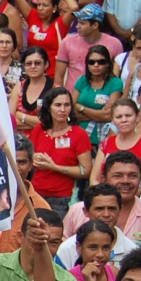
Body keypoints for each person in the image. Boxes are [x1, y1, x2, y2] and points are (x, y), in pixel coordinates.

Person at [27, 88, 93, 218]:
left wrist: (54, 167)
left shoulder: (79, 134)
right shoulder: (39, 129)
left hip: (62, 198)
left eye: (67, 105)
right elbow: (28, 155)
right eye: (58, 105)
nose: (62, 110)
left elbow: (86, 171)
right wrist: (33, 157)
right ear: (49, 107)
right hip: (36, 193)